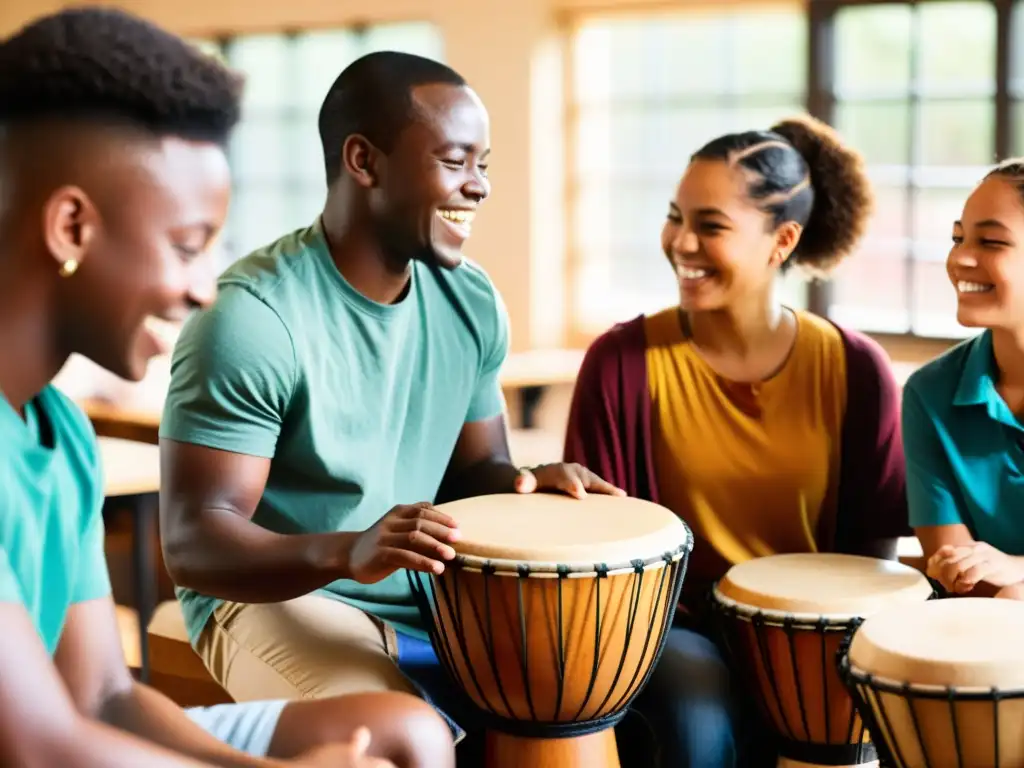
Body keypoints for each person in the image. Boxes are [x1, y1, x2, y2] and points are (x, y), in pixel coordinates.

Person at [0, 8, 455, 768]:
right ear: (71, 228)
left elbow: (102, 697)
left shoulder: (62, 433)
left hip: (57, 731)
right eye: (185, 247)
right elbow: (41, 746)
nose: (204, 291)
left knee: (405, 736)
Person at [156, 49, 621, 755]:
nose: (480, 187)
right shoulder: (251, 318)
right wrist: (351, 550)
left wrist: (530, 482)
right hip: (277, 601)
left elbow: (476, 472)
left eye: (483, 165)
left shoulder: (468, 300)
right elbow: (195, 543)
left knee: (600, 704)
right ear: (364, 162)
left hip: (420, 593)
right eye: (457, 161)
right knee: (404, 742)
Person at [563, 115, 910, 766]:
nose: (681, 243)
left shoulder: (856, 368)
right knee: (697, 708)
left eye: (711, 225)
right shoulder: (621, 361)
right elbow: (605, 558)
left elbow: (871, 556)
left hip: (818, 631)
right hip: (675, 630)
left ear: (782, 241)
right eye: (675, 216)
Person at [904, 159, 1024, 604]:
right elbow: (957, 570)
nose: (960, 259)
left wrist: (1017, 570)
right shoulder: (928, 394)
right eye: (958, 238)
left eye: (990, 241)